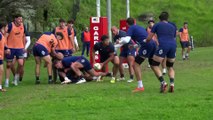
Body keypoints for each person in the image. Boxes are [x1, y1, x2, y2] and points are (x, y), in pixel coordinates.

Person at [115, 18, 156, 92]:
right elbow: (142, 39)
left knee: (135, 64)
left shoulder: (131, 28)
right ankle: (163, 82)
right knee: (154, 65)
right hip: (152, 44)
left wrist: (118, 42)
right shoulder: (140, 27)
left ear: (127, 24)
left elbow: (127, 40)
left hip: (146, 46)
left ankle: (140, 86)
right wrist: (134, 46)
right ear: (134, 22)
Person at [146, 11, 177, 93]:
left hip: (163, 45)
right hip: (173, 46)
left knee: (154, 64)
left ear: (159, 19)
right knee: (170, 66)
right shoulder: (172, 26)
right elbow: (174, 37)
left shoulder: (157, 25)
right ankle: (172, 84)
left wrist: (145, 41)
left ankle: (163, 83)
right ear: (167, 18)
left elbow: (149, 38)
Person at [4, 14, 31, 87]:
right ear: (15, 19)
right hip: (10, 48)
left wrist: (25, 47)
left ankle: (15, 78)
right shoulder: (10, 25)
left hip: (20, 48)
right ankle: (6, 81)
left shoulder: (23, 26)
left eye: (21, 19)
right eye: (19, 19)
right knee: (9, 65)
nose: (20, 21)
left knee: (21, 64)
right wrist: (6, 48)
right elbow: (5, 37)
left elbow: (27, 37)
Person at [0, 22, 10, 92]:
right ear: (3, 27)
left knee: (1, 71)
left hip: (1, 56)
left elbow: (4, 45)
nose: (8, 28)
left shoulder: (2, 36)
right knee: (1, 71)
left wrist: (6, 49)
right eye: (6, 27)